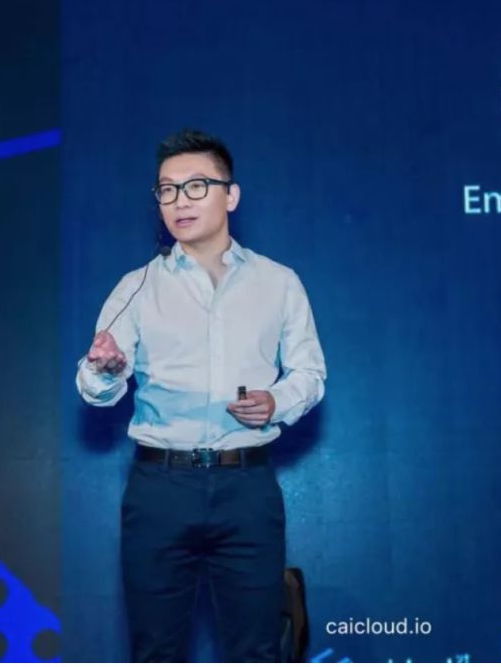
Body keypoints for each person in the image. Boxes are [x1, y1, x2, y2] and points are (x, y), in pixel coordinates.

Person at [75, 129, 327, 662]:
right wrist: (104, 369)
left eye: (195, 186)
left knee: (257, 649)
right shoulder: (137, 286)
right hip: (160, 489)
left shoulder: (279, 282)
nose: (179, 201)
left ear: (230, 196)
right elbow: (96, 388)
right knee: (156, 650)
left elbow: (310, 373)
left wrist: (276, 402)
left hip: (247, 487)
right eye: (166, 190)